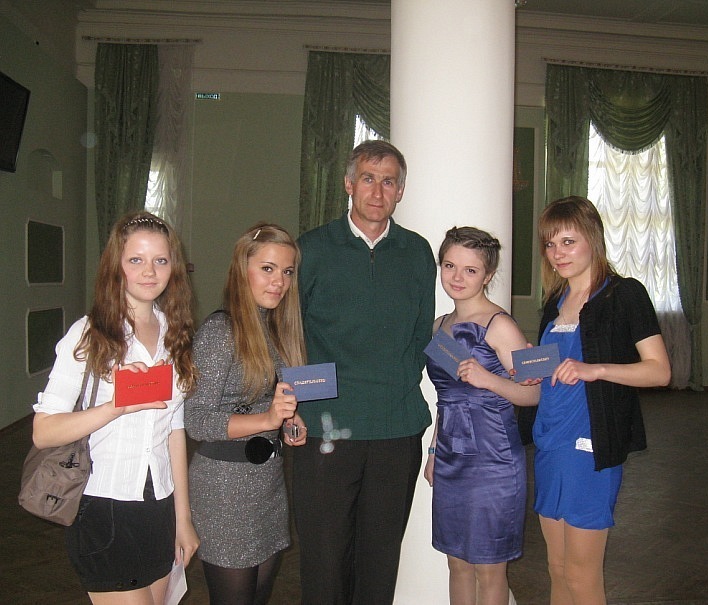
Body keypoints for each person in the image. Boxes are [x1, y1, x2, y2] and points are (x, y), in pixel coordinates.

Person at [293, 140, 436, 605]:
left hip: (396, 427)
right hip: (326, 426)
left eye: (388, 181)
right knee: (325, 557)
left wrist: (393, 384)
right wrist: (294, 407)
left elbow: (420, 334)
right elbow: (290, 333)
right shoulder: (311, 249)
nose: (378, 191)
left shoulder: (417, 252)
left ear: (401, 191)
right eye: (368, 179)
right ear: (349, 184)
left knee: (380, 557)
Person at [32, 211, 199, 604]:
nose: (149, 271)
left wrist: (183, 518)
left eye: (160, 260)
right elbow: (43, 431)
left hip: (160, 507)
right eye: (135, 259)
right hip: (104, 507)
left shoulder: (175, 334)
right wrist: (115, 407)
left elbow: (174, 430)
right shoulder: (90, 335)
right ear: (115, 266)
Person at [529, 196, 671, 604]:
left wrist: (597, 369)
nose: (558, 253)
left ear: (593, 239)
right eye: (550, 244)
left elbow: (659, 371)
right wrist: (530, 369)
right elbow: (554, 371)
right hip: (550, 443)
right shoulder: (554, 302)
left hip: (590, 448)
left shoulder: (624, 294)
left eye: (568, 242)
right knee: (557, 569)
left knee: (581, 575)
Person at [184, 222, 308, 605]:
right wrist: (267, 420)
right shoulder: (221, 331)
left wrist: (288, 420)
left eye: (287, 271)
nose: (279, 281)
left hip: (266, 481)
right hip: (224, 486)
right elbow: (195, 419)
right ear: (243, 269)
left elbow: (265, 400)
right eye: (267, 268)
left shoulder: (274, 328)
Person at [423, 227, 540, 605]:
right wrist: (433, 452)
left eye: (470, 270)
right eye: (449, 266)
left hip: (494, 460)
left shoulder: (500, 325)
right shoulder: (438, 326)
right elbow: (446, 399)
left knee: (489, 567)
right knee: (456, 562)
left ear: (488, 275)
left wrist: (489, 380)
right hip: (451, 457)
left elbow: (533, 394)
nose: (457, 277)